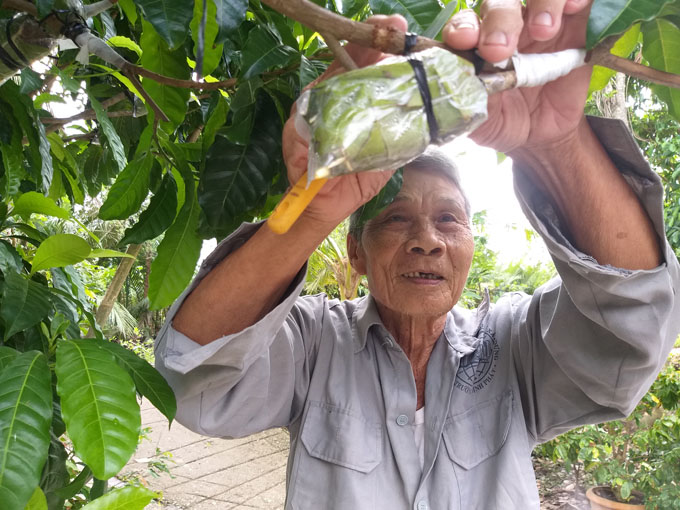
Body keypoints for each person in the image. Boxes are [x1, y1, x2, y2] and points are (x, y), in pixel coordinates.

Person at [155, 0, 680, 508]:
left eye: (450, 220)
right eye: (396, 218)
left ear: (471, 248)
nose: (427, 240)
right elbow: (193, 380)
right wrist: (313, 214)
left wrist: (557, 142)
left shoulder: (514, 345)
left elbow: (633, 329)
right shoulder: (315, 344)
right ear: (356, 253)